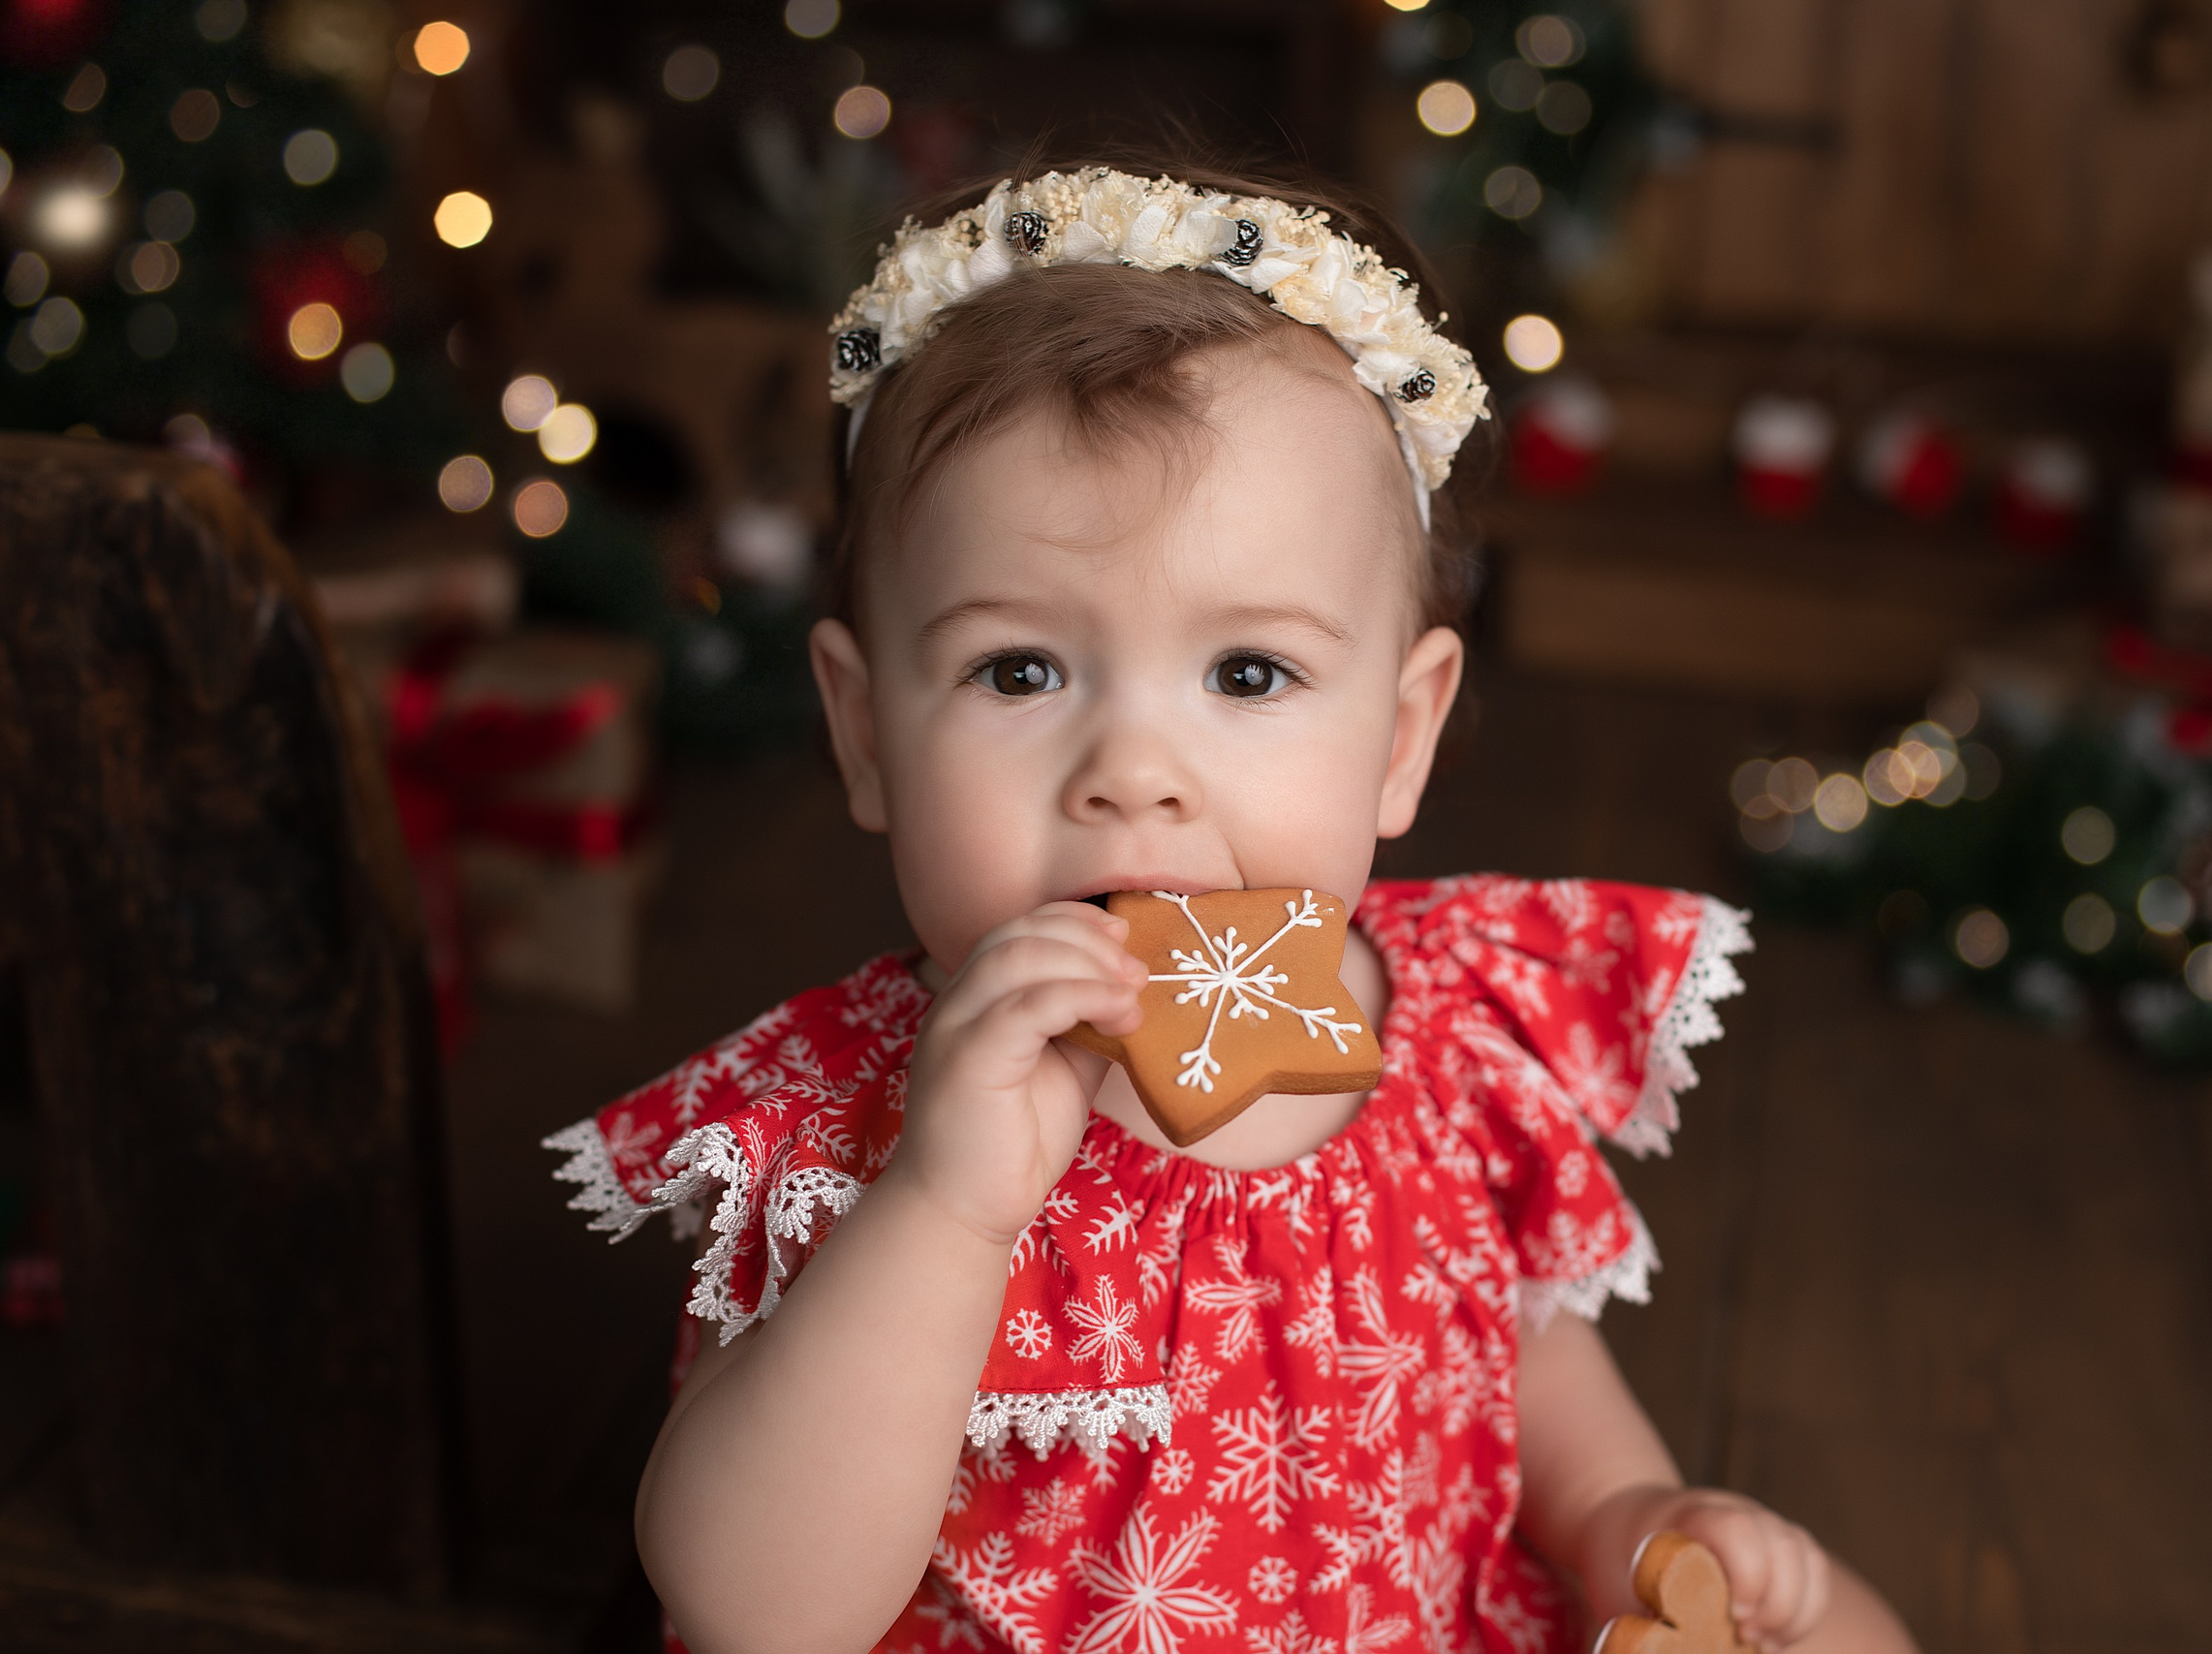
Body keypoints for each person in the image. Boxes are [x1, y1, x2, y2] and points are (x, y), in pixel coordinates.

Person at [545, 159, 1917, 1654]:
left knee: (1841, 1627)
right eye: (1019, 671)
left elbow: (1524, 1362)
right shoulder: (865, 1130)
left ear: (1401, 736)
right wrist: (945, 1214)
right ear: (867, 731)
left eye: (1247, 675)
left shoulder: (1454, 1031)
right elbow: (753, 1612)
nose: (1134, 775)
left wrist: (1625, 1522)